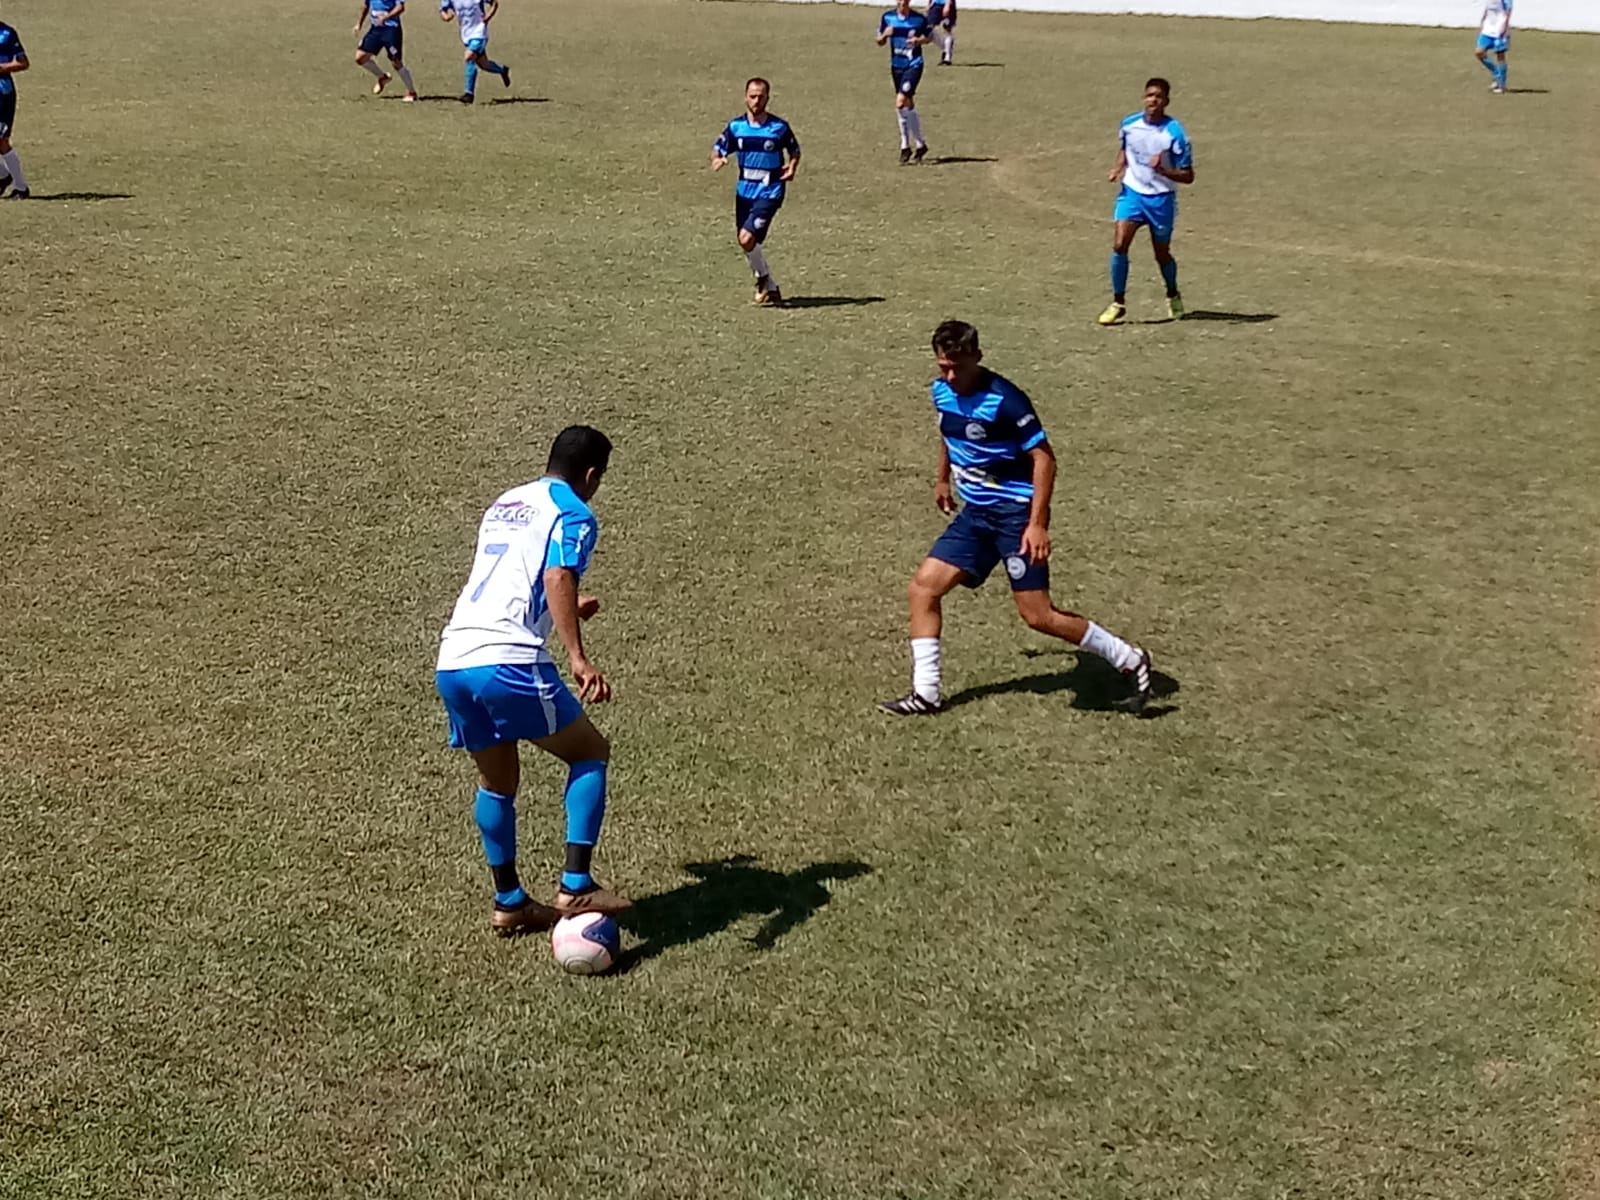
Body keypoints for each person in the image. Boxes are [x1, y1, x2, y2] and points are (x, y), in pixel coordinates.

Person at [879, 321, 1154, 717]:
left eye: (958, 367)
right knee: (923, 589)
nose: (951, 377)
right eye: (943, 367)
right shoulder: (941, 392)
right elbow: (948, 433)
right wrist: (941, 478)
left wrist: (1036, 524)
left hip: (1014, 516)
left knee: (1037, 615)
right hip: (977, 515)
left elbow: (1044, 459)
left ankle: (1130, 658)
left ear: (978, 357)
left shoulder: (1006, 400)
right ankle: (927, 693)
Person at [435, 426, 631, 937]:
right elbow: (556, 575)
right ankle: (576, 883)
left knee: (497, 782)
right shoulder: (575, 513)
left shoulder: (507, 502)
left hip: (454, 659)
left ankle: (510, 902)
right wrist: (578, 659)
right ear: (591, 475)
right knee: (590, 752)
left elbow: (513, 575)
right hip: (509, 661)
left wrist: (566, 608)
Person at [1098, 78, 1194, 326]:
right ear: (1144, 97)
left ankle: (1172, 293)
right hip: (1132, 193)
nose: (1153, 100)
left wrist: (1163, 171)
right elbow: (1125, 148)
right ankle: (1118, 303)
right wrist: (1118, 167)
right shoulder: (1129, 125)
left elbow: (1188, 175)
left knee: (1161, 254)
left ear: (1166, 101)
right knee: (1119, 245)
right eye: (1150, 95)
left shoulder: (1175, 133)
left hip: (1161, 200)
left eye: (1159, 96)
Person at [711, 78, 801, 308]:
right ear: (745, 97)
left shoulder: (779, 128)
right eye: (752, 96)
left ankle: (762, 279)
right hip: (744, 192)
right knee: (747, 243)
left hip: (770, 190)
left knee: (746, 238)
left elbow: (794, 150)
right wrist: (718, 159)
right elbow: (718, 147)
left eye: (761, 96)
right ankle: (769, 284)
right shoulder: (736, 127)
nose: (756, 101)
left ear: (767, 98)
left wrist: (791, 168)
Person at [876, 0, 931, 164]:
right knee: (908, 104)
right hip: (897, 66)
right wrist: (885, 35)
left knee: (900, 102)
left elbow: (929, 37)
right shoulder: (888, 17)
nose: (903, 3)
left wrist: (918, 41)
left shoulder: (919, 19)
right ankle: (920, 144)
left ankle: (905, 146)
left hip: (914, 65)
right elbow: (879, 41)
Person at [440, 0, 510, 105]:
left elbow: (494, 3)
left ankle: (469, 94)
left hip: (479, 32)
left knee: (469, 56)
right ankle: (502, 70)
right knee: (484, 64)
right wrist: (446, 17)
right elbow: (443, 10)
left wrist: (487, 18)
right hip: (466, 34)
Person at [352, 0, 418, 102]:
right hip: (376, 29)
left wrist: (386, 17)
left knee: (396, 62)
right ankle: (383, 77)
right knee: (360, 57)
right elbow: (366, 6)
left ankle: (412, 92)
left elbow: (400, 8)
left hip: (391, 29)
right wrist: (359, 24)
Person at [0, 18, 30, 200]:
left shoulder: (6, 34)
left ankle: (21, 187)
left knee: (1, 140)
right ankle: (3, 176)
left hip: (2, 93)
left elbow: (23, 62)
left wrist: (1, 68)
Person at [1475, 0, 1512, 94]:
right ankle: (1497, 74)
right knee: (1479, 52)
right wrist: (1483, 18)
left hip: (1500, 28)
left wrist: (1505, 27)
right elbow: (1488, 6)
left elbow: (1508, 10)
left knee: (1500, 55)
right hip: (1488, 28)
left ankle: (1502, 85)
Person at [926, 0, 957, 66]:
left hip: (948, 4)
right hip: (935, 5)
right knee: (928, 29)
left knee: (947, 29)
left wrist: (948, 4)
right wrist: (929, 3)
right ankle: (946, 48)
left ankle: (947, 58)